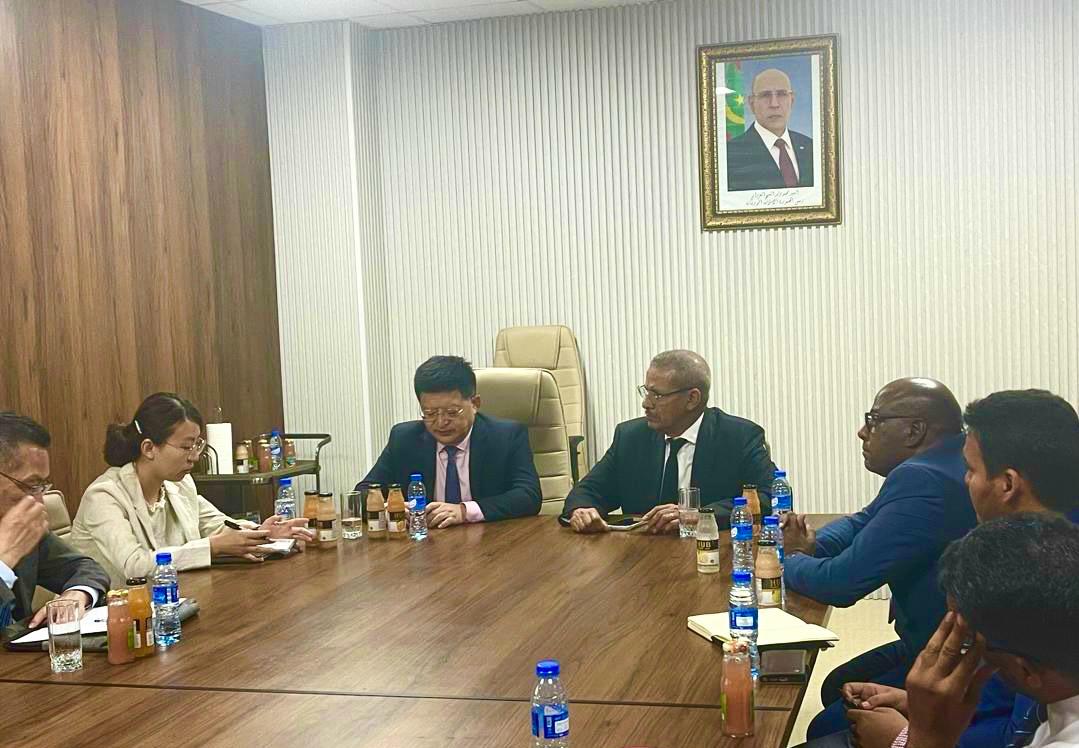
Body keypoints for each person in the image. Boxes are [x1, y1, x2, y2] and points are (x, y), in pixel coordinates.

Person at [807, 389, 1079, 748]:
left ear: (1008, 484)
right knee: (838, 693)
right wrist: (916, 705)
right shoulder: (1037, 537)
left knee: (827, 728)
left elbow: (1018, 726)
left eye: (970, 470)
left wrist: (910, 738)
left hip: (980, 719)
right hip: (971, 687)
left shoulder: (1045, 571)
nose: (964, 480)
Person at [783, 377, 977, 738]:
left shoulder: (925, 479)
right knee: (837, 684)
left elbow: (841, 583)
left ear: (914, 430)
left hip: (951, 655)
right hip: (937, 636)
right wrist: (814, 547)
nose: (862, 432)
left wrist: (790, 559)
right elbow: (863, 521)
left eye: (873, 421)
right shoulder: (942, 463)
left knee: (826, 723)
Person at [70, 393, 313, 585]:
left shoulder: (179, 484)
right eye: (187, 447)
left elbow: (218, 525)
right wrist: (213, 547)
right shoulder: (104, 496)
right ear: (149, 448)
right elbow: (134, 566)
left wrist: (263, 533)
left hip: (175, 602)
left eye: (198, 445)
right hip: (115, 617)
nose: (195, 457)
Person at [562, 350, 777, 534]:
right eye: (646, 391)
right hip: (643, 557)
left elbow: (770, 496)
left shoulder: (738, 437)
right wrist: (582, 511)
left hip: (712, 553)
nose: (646, 403)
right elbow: (587, 492)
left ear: (692, 399)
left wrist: (700, 515)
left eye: (657, 395)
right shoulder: (630, 438)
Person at [359, 356, 541, 527]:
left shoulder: (506, 436)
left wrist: (465, 511)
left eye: (452, 412)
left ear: (475, 404)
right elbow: (364, 492)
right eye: (430, 413)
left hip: (489, 541)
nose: (441, 422)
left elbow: (528, 495)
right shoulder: (404, 439)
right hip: (423, 542)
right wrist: (387, 508)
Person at [0, 412, 108, 634]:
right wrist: (4, 561)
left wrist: (78, 594)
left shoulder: (27, 530)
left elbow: (85, 567)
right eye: (30, 485)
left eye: (41, 486)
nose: (39, 501)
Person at [726, 67, 814, 191]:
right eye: (765, 95)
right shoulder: (731, 154)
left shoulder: (811, 147)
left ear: (792, 101)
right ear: (752, 104)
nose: (774, 104)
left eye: (782, 94)